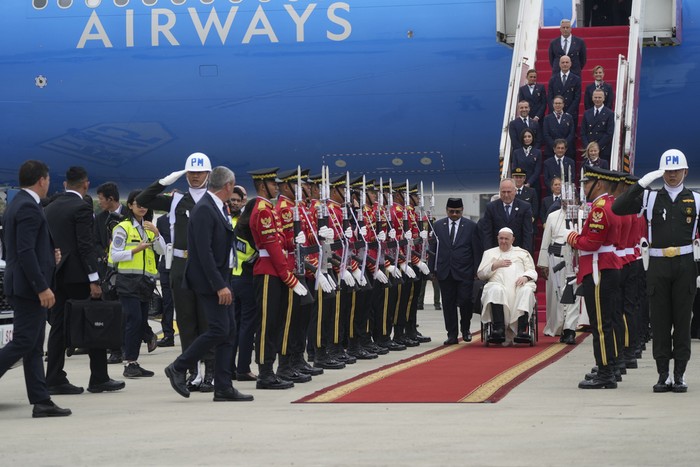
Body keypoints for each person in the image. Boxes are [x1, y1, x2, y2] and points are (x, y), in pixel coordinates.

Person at [164, 166, 254, 402]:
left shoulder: (216, 206)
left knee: (229, 330)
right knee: (218, 330)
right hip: (209, 282)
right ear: (227, 186)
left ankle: (223, 386)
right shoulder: (204, 209)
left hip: (222, 279)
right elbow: (203, 253)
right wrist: (219, 285)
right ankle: (178, 366)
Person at [613, 149, 697, 393]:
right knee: (659, 323)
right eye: (668, 171)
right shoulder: (649, 198)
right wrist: (640, 184)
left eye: (676, 171)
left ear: (685, 171)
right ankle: (663, 375)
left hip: (685, 265)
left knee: (682, 322)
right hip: (657, 266)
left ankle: (679, 375)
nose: (672, 176)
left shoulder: (696, 200)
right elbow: (619, 207)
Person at [44, 166, 125, 395]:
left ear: (64, 184)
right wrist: (94, 279)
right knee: (95, 322)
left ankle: (54, 378)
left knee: (58, 326)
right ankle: (99, 377)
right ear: (86, 184)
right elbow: (85, 246)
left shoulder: (50, 207)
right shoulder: (81, 208)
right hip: (79, 276)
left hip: (57, 274)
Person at [136, 153, 214, 392]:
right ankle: (192, 372)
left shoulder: (213, 201)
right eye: (191, 172)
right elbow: (142, 199)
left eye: (199, 173)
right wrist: (165, 181)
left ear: (208, 175)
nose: (195, 176)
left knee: (207, 322)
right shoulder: (176, 199)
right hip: (181, 267)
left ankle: (209, 372)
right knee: (187, 322)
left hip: (205, 266)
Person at [0, 160, 72, 417]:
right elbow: (24, 250)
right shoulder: (29, 207)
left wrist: (48, 258)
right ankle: (42, 400)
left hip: (21, 284)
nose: (48, 184)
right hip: (29, 288)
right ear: (42, 180)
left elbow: (18, 250)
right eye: (48, 180)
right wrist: (42, 287)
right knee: (24, 341)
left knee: (32, 346)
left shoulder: (16, 204)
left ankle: (41, 401)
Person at [248, 167, 308, 389]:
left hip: (275, 270)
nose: (277, 187)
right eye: (273, 184)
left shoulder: (269, 208)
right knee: (267, 324)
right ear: (262, 185)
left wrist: (296, 241)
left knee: (276, 322)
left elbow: (281, 242)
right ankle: (265, 373)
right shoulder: (263, 210)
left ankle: (271, 370)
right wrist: (288, 276)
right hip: (268, 272)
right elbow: (272, 246)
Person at [566, 165, 622, 389]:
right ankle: (609, 366)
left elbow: (591, 243)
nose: (584, 187)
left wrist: (572, 237)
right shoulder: (610, 204)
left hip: (599, 271)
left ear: (598, 184)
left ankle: (606, 372)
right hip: (605, 268)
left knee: (600, 324)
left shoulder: (599, 209)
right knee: (607, 321)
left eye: (586, 183)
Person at [109, 190, 165, 378]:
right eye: (137, 203)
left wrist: (157, 234)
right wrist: (135, 250)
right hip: (127, 282)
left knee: (140, 322)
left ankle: (133, 361)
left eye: (144, 203)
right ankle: (129, 362)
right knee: (133, 321)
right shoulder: (122, 228)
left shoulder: (149, 228)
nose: (141, 206)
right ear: (130, 205)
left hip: (145, 283)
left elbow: (162, 251)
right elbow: (115, 255)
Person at [430, 198, 478, 345]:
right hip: (445, 271)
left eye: (457, 212)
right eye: (452, 212)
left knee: (465, 301)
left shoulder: (471, 226)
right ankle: (451, 334)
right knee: (448, 304)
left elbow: (476, 249)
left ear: (462, 210)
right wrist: (432, 270)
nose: (455, 214)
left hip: (465, 271)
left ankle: (465, 329)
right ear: (446, 210)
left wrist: (477, 270)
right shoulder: (438, 226)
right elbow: (433, 249)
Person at [478, 227, 537, 346]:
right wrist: (494, 265)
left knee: (526, 290)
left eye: (506, 239)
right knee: (495, 290)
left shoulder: (522, 253)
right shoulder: (489, 253)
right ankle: (498, 329)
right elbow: (481, 274)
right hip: (498, 285)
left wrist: (525, 277)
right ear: (497, 239)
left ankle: (521, 330)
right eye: (501, 238)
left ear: (513, 239)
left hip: (518, 287)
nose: (503, 241)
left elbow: (532, 271)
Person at [537, 200, 581, 343]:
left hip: (574, 258)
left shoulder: (581, 215)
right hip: (556, 258)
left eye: (570, 199)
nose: (567, 202)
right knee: (557, 295)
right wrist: (543, 263)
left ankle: (570, 329)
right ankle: (558, 326)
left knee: (573, 294)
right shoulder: (552, 216)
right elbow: (546, 240)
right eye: (564, 198)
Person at [481, 178, 534, 253]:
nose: (506, 195)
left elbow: (527, 233)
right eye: (503, 192)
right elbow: (487, 233)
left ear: (515, 191)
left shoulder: (525, 207)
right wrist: (489, 253)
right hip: (497, 251)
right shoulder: (491, 207)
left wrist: (525, 253)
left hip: (518, 251)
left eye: (509, 192)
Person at [155, 213, 175, 347]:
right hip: (166, 265)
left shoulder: (189, 216)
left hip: (183, 264)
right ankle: (168, 334)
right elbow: (158, 245)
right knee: (167, 301)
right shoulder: (161, 221)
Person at [581, 89, 615, 161]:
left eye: (599, 97)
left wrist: (597, 147)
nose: (597, 99)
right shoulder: (587, 113)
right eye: (595, 97)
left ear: (604, 98)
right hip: (589, 150)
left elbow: (609, 133)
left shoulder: (609, 113)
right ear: (592, 98)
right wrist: (589, 147)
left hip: (603, 149)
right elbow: (583, 132)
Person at [548, 56, 582, 128]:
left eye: (567, 62)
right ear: (559, 64)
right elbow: (550, 97)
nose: (565, 64)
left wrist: (567, 113)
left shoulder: (576, 79)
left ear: (570, 64)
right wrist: (555, 111)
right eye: (563, 62)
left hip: (570, 113)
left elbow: (577, 98)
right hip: (555, 113)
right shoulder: (553, 79)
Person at [510, 128, 542, 193]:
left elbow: (537, 170)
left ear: (532, 138)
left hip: (534, 184)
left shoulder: (538, 152)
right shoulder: (516, 152)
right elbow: (514, 168)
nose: (527, 138)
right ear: (522, 138)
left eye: (529, 136)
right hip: (519, 185)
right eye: (525, 137)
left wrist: (529, 183)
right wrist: (520, 182)